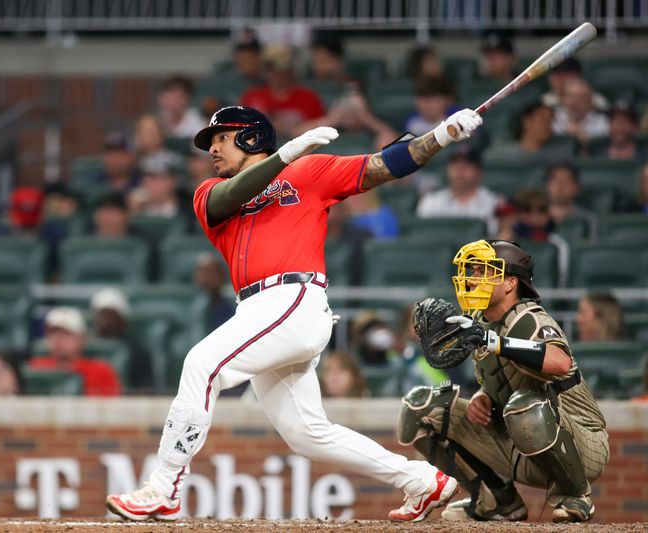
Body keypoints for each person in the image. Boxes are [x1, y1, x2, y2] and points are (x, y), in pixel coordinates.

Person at [106, 103, 484, 522]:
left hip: (291, 299)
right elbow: (230, 197)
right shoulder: (208, 193)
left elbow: (384, 165)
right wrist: (286, 156)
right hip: (257, 309)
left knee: (201, 364)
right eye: (210, 142)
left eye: (222, 138)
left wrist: (441, 136)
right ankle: (420, 480)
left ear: (252, 139)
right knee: (307, 434)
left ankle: (164, 487)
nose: (212, 149)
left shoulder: (307, 172)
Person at [398, 240, 608, 523]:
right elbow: (501, 377)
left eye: (481, 271)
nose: (471, 279)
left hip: (582, 445)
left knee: (525, 406)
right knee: (423, 409)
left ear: (510, 282)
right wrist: (483, 396)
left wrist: (494, 341)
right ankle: (498, 501)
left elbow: (561, 363)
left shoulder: (530, 318)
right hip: (520, 440)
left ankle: (575, 495)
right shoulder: (480, 322)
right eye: (471, 271)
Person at [30, 307, 122, 396]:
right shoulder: (36, 368)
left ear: (81, 338)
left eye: (66, 333)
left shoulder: (101, 371)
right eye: (53, 333)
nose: (58, 339)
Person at [241, 46, 326, 137]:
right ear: (264, 70)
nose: (278, 74)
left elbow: (320, 131)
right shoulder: (252, 97)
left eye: (283, 69)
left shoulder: (309, 97)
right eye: (272, 69)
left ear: (292, 70)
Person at [416, 147, 500, 234]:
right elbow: (423, 236)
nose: (459, 170)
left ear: (479, 172)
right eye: (455, 165)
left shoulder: (494, 203)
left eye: (466, 165)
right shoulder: (430, 202)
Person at [90, 288, 153, 393]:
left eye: (111, 315)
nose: (105, 320)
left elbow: (144, 388)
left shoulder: (138, 353)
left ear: (122, 318)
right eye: (102, 314)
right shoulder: (87, 350)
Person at [484, 102, 575, 163]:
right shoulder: (501, 154)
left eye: (550, 120)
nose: (547, 125)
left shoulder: (559, 155)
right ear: (526, 121)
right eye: (542, 120)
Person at [544, 162, 597, 233]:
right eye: (554, 180)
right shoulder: (531, 217)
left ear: (577, 188)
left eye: (565, 181)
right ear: (547, 185)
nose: (559, 186)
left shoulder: (588, 220)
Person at [552, 78, 609, 144]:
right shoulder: (552, 118)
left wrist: (582, 138)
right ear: (563, 100)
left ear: (590, 103)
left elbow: (601, 151)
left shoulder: (602, 123)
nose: (574, 103)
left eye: (581, 98)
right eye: (570, 96)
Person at [191, 253, 235, 337]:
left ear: (223, 275)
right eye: (203, 273)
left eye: (212, 272)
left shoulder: (235, 301)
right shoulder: (199, 306)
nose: (206, 278)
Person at [541, 58, 608, 112]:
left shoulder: (596, 101)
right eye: (556, 74)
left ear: (577, 76)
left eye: (565, 74)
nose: (560, 79)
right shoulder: (545, 101)